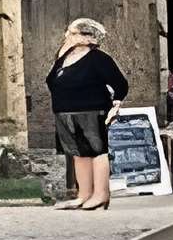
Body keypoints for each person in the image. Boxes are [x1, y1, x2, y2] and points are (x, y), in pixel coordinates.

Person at [46, 18, 131, 212]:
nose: (67, 36)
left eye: (73, 33)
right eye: (68, 32)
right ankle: (83, 195)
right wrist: (61, 54)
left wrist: (116, 105)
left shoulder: (98, 58)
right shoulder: (63, 57)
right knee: (78, 154)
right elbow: (51, 81)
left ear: (87, 37)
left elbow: (120, 84)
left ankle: (101, 194)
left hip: (92, 110)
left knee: (97, 151)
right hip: (65, 111)